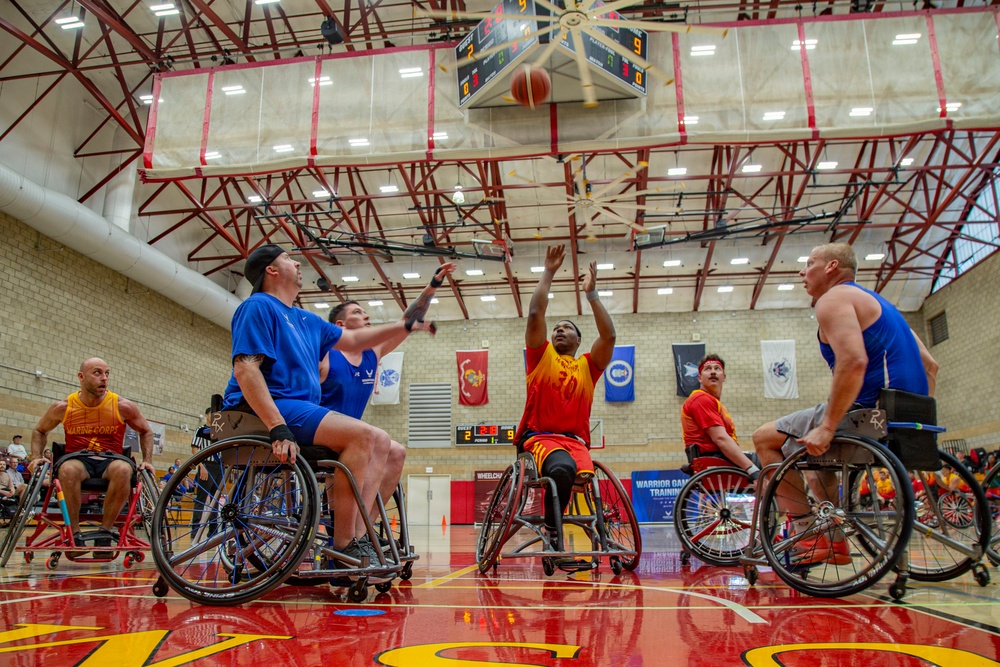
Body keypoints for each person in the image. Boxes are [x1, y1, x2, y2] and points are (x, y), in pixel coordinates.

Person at [222, 244, 437, 567]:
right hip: (266, 409)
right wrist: (276, 426)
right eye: (288, 259)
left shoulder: (306, 319)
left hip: (302, 408)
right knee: (367, 435)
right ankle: (344, 543)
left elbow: (352, 341)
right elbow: (246, 368)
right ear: (271, 270)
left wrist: (405, 326)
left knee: (387, 445)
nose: (297, 262)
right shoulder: (257, 307)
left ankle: (359, 539)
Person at [752, 242, 938, 566]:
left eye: (808, 263)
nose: (801, 271)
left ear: (831, 267)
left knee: (765, 438)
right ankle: (835, 542)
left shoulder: (832, 300)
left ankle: (808, 534)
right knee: (810, 452)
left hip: (870, 412)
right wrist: (917, 416)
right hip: (908, 416)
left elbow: (853, 361)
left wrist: (826, 427)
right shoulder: (884, 306)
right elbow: (930, 366)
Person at [318, 263, 456, 542]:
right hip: (321, 431)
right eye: (358, 312)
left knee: (397, 452)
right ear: (340, 326)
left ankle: (364, 529)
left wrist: (433, 285)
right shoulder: (325, 353)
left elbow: (408, 320)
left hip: (355, 437)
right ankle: (348, 538)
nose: (367, 315)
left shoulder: (373, 351)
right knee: (373, 439)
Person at [515, 244, 615, 568]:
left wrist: (593, 295)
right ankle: (554, 536)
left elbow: (609, 335)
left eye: (567, 328)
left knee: (581, 473)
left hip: (575, 442)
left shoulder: (589, 366)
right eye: (556, 327)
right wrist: (548, 272)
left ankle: (602, 536)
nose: (559, 329)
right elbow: (535, 315)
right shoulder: (540, 358)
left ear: (578, 340)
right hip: (540, 438)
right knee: (562, 469)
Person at [28, 357, 155, 555]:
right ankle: (75, 534)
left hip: (111, 459)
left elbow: (146, 431)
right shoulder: (64, 407)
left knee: (124, 469)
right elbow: (39, 430)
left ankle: (105, 532)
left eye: (107, 373)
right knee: (68, 469)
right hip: (77, 459)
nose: (104, 378)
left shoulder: (123, 406)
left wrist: (147, 461)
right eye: (97, 373)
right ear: (81, 377)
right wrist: (35, 457)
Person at [680, 355, 760, 480]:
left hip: (720, 457)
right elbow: (721, 439)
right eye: (707, 369)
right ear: (699, 378)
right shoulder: (701, 399)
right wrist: (752, 469)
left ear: (724, 377)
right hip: (715, 458)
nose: (713, 371)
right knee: (771, 461)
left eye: (717, 368)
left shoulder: (714, 402)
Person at [189, 407, 222, 537]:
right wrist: (201, 466)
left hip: (218, 467)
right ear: (206, 415)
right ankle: (195, 530)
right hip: (206, 466)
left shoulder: (220, 431)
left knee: (215, 500)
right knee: (201, 499)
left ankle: (213, 531)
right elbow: (194, 449)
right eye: (211, 414)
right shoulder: (200, 430)